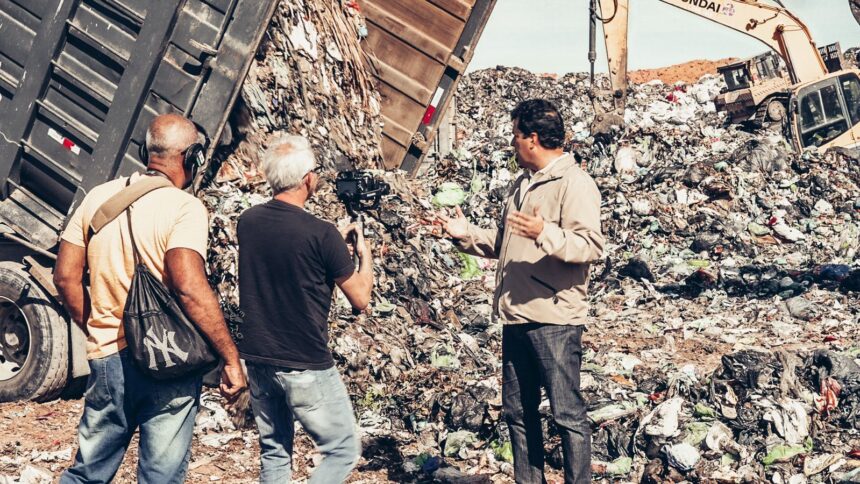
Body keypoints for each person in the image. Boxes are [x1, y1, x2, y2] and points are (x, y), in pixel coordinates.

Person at [54, 114, 246, 483]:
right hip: (168, 360)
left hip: (108, 357)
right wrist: (230, 358)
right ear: (193, 158)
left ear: (146, 152)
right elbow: (189, 287)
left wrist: (98, 329)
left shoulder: (98, 197)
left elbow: (65, 277)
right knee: (160, 477)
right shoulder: (184, 208)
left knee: (86, 474)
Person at [437, 99, 604, 483]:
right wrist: (465, 236)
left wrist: (545, 233)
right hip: (516, 316)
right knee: (517, 411)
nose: (512, 145)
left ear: (532, 138)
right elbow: (505, 243)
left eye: (515, 136)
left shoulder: (574, 184)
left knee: (566, 415)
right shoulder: (522, 184)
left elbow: (590, 246)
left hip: (554, 319)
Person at [236, 135, 372, 483]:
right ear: (308, 178)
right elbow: (360, 298)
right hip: (305, 362)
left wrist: (331, 247)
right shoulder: (322, 235)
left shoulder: (248, 222)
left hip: (260, 359)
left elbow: (289, 256)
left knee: (275, 450)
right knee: (343, 450)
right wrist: (363, 254)